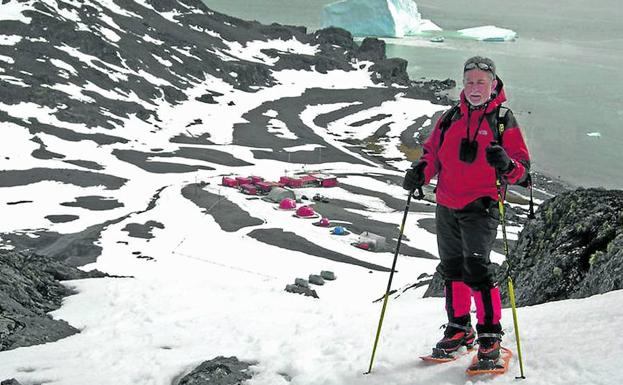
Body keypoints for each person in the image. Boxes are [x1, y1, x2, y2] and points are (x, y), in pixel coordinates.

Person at [403, 56, 530, 363]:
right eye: (470, 82)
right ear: (463, 84)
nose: (475, 88)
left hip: (481, 205)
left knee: (477, 270)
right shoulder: (450, 117)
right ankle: (459, 329)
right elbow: (433, 153)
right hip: (446, 204)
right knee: (452, 269)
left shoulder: (502, 120)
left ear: (493, 85)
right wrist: (421, 171)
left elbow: (523, 172)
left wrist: (507, 165)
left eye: (481, 83)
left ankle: (489, 334)